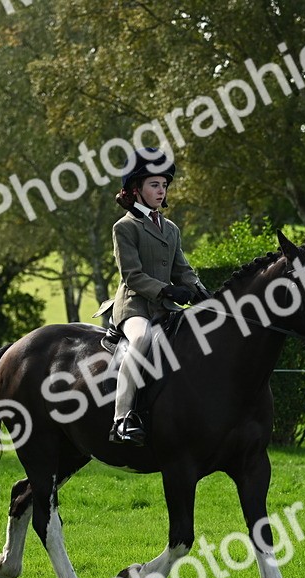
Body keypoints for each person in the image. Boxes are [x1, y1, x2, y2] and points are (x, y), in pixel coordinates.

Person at [108, 147, 211, 445]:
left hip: (164, 308)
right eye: (154, 184)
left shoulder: (171, 229)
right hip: (135, 307)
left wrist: (200, 291)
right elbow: (132, 275)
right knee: (140, 340)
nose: (160, 190)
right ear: (136, 189)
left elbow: (183, 270)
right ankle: (122, 419)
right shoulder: (125, 227)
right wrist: (166, 290)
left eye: (164, 185)